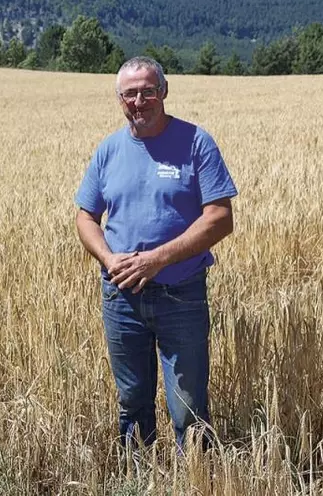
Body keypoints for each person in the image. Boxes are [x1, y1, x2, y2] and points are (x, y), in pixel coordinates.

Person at [74, 56, 237, 450]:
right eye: (130, 94)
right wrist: (111, 260)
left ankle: (195, 482)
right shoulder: (109, 150)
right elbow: (85, 217)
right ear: (119, 100)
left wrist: (158, 259)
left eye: (147, 91)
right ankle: (139, 480)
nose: (139, 100)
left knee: (188, 406)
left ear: (163, 91)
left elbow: (220, 218)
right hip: (121, 295)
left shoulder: (196, 141)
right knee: (131, 402)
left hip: (180, 293)